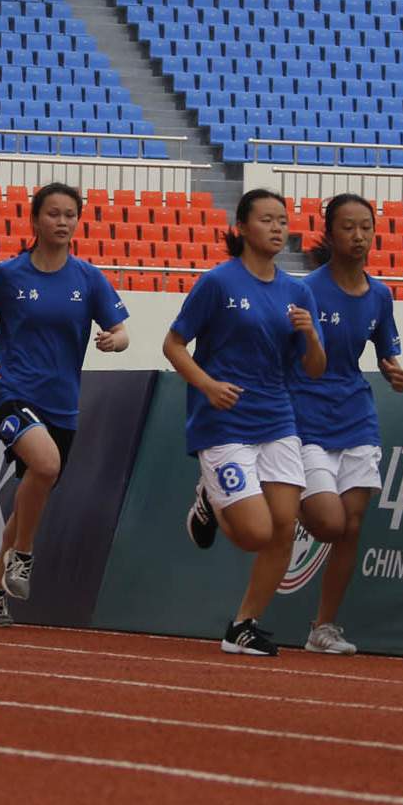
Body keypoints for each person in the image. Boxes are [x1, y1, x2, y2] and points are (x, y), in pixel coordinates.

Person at [163, 188, 325, 657]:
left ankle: (243, 625)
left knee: (284, 527)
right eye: (268, 219)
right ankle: (210, 500)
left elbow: (314, 367)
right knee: (255, 532)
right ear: (242, 227)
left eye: (283, 219)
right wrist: (208, 385)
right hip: (224, 422)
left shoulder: (298, 292)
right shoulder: (218, 283)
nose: (278, 228)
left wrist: (311, 335)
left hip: (277, 418)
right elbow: (173, 345)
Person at [0, 183, 129, 628]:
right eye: (53, 214)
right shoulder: (10, 274)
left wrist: (115, 341)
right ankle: (24, 557)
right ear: (35, 220)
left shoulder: (88, 279)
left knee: (31, 496)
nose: (62, 222)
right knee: (47, 464)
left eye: (70, 214)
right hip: (11, 392)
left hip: (62, 404)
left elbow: (124, 330)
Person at [295, 193, 403, 655]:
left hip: (356, 414)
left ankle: (324, 628)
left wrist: (392, 369)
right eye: (348, 227)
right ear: (329, 232)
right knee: (328, 523)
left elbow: (385, 349)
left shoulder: (380, 295)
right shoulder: (304, 291)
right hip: (305, 414)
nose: (358, 236)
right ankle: (280, 498)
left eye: (366, 227)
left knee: (352, 525)